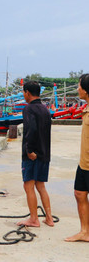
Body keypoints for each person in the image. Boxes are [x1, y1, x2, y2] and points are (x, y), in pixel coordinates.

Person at [17, 80, 54, 227]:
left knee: (28, 186)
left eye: (23, 92)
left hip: (32, 155)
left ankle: (34, 218)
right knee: (41, 186)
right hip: (45, 153)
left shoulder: (28, 109)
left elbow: (31, 130)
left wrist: (29, 150)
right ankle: (49, 218)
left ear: (27, 92)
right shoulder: (45, 109)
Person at [65, 74, 89, 242]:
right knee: (79, 193)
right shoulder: (86, 108)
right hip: (84, 163)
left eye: (79, 86)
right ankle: (84, 231)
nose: (77, 89)